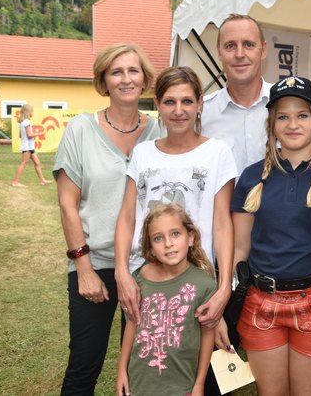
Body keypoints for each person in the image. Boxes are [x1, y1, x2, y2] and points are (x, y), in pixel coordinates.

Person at [223, 76, 311, 395]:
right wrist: (224, 305)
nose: (292, 124)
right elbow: (239, 249)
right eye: (282, 116)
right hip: (260, 304)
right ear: (272, 125)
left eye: (302, 115)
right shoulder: (250, 178)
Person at [113, 66, 237, 395]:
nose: (178, 110)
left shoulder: (218, 153)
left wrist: (223, 289)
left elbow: (223, 222)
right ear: (157, 104)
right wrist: (122, 273)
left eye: (186, 101)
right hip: (146, 284)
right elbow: (127, 216)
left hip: (195, 284)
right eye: (169, 102)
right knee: (147, 365)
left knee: (194, 373)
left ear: (199, 104)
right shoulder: (142, 154)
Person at [54, 43, 160, 395]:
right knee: (85, 364)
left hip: (148, 267)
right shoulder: (81, 130)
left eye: (133, 71)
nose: (126, 79)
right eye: (116, 72)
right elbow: (68, 204)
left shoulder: (160, 131)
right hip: (95, 263)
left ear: (145, 79)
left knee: (144, 367)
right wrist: (83, 268)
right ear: (104, 81)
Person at [116, 204, 217, 396]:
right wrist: (122, 370)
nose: (168, 243)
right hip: (140, 385)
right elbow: (132, 323)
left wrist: (199, 384)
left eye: (175, 234)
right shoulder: (142, 277)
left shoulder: (204, 284)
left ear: (191, 237)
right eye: (158, 238)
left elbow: (207, 336)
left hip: (182, 387)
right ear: (152, 249)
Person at [201, 14, 271, 175]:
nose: (239, 54)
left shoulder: (289, 105)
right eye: (230, 46)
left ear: (263, 50)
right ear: (219, 52)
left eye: (248, 44)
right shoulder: (201, 114)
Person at [11, 104, 51, 187]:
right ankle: (15, 182)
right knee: (23, 163)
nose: (32, 113)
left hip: (30, 147)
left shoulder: (23, 122)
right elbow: (29, 135)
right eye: (32, 111)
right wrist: (41, 133)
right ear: (28, 112)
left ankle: (43, 180)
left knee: (37, 163)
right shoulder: (27, 122)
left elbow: (21, 135)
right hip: (27, 147)